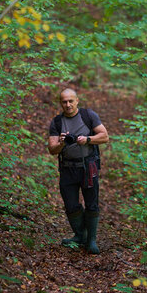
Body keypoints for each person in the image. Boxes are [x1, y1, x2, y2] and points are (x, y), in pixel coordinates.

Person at [48, 88, 109, 254]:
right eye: (64, 102)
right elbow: (52, 150)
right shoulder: (57, 122)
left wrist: (88, 139)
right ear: (60, 103)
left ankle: (91, 240)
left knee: (91, 203)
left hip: (88, 166)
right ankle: (80, 235)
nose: (68, 105)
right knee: (71, 204)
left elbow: (104, 136)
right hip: (67, 168)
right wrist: (61, 143)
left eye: (70, 101)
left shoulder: (88, 116)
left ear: (77, 101)